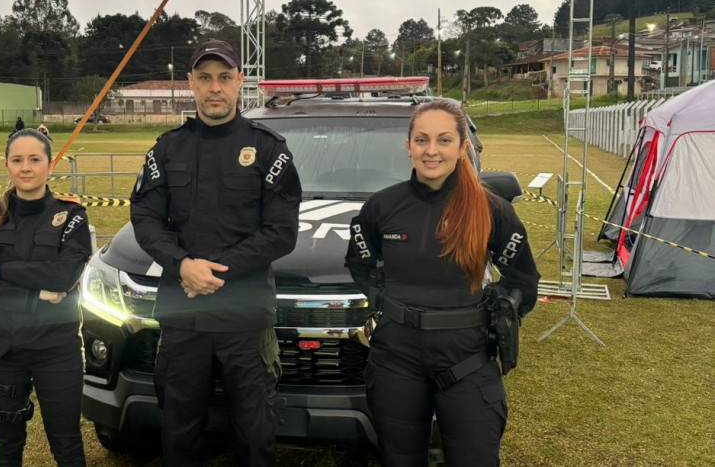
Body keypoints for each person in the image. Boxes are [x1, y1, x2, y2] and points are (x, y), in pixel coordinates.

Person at [130, 40, 302, 467]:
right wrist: (182, 265)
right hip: (183, 315)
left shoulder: (269, 148)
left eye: (224, 77)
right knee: (179, 431)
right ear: (191, 82)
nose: (215, 88)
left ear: (240, 81)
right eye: (205, 78)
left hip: (245, 317)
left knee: (255, 431)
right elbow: (145, 218)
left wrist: (214, 272)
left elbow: (281, 232)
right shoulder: (166, 149)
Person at [345, 100, 539, 467]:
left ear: (462, 147)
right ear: (408, 146)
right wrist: (388, 301)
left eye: (444, 140)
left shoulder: (492, 209)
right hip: (396, 359)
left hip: (468, 357)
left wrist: (500, 311)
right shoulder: (380, 208)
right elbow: (360, 264)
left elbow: (523, 280)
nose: (431, 150)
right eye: (422, 140)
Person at [0, 128, 91, 466]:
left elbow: (63, 276)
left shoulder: (71, 216)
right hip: (2, 351)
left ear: (50, 165)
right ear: (7, 165)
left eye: (34, 159)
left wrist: (2, 270)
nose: (26, 167)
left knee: (67, 445)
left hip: (56, 349)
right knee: (6, 446)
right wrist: (33, 297)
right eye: (17, 160)